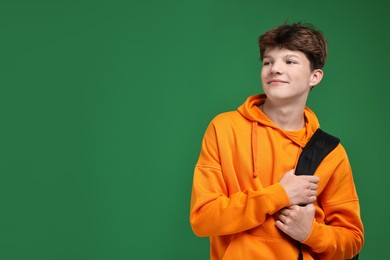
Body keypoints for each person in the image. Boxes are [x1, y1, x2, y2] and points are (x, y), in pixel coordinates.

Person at [189, 22, 364, 259]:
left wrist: (310, 233)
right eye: (268, 62)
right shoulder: (224, 128)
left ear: (315, 76)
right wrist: (278, 194)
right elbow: (203, 218)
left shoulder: (330, 152)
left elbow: (352, 239)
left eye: (290, 61)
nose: (275, 69)